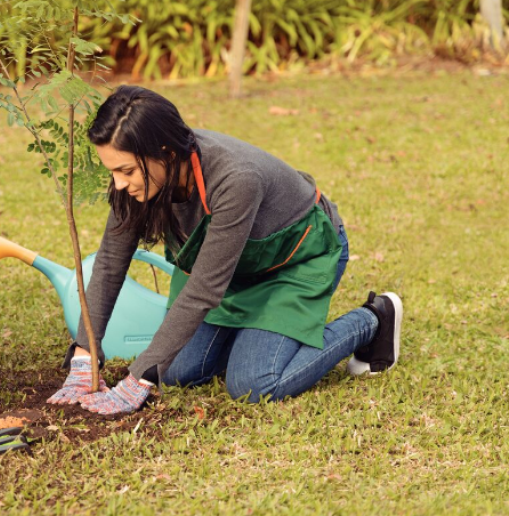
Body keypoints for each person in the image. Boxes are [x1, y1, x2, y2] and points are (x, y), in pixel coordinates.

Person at [46, 85, 403, 416]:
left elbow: (203, 289)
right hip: (227, 268)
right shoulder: (139, 183)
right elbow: (110, 263)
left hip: (291, 263)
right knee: (178, 372)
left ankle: (373, 318)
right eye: (113, 172)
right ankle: (252, 336)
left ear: (166, 154)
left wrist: (138, 378)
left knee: (254, 383)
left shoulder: (235, 179)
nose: (119, 184)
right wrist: (84, 351)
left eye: (126, 171)